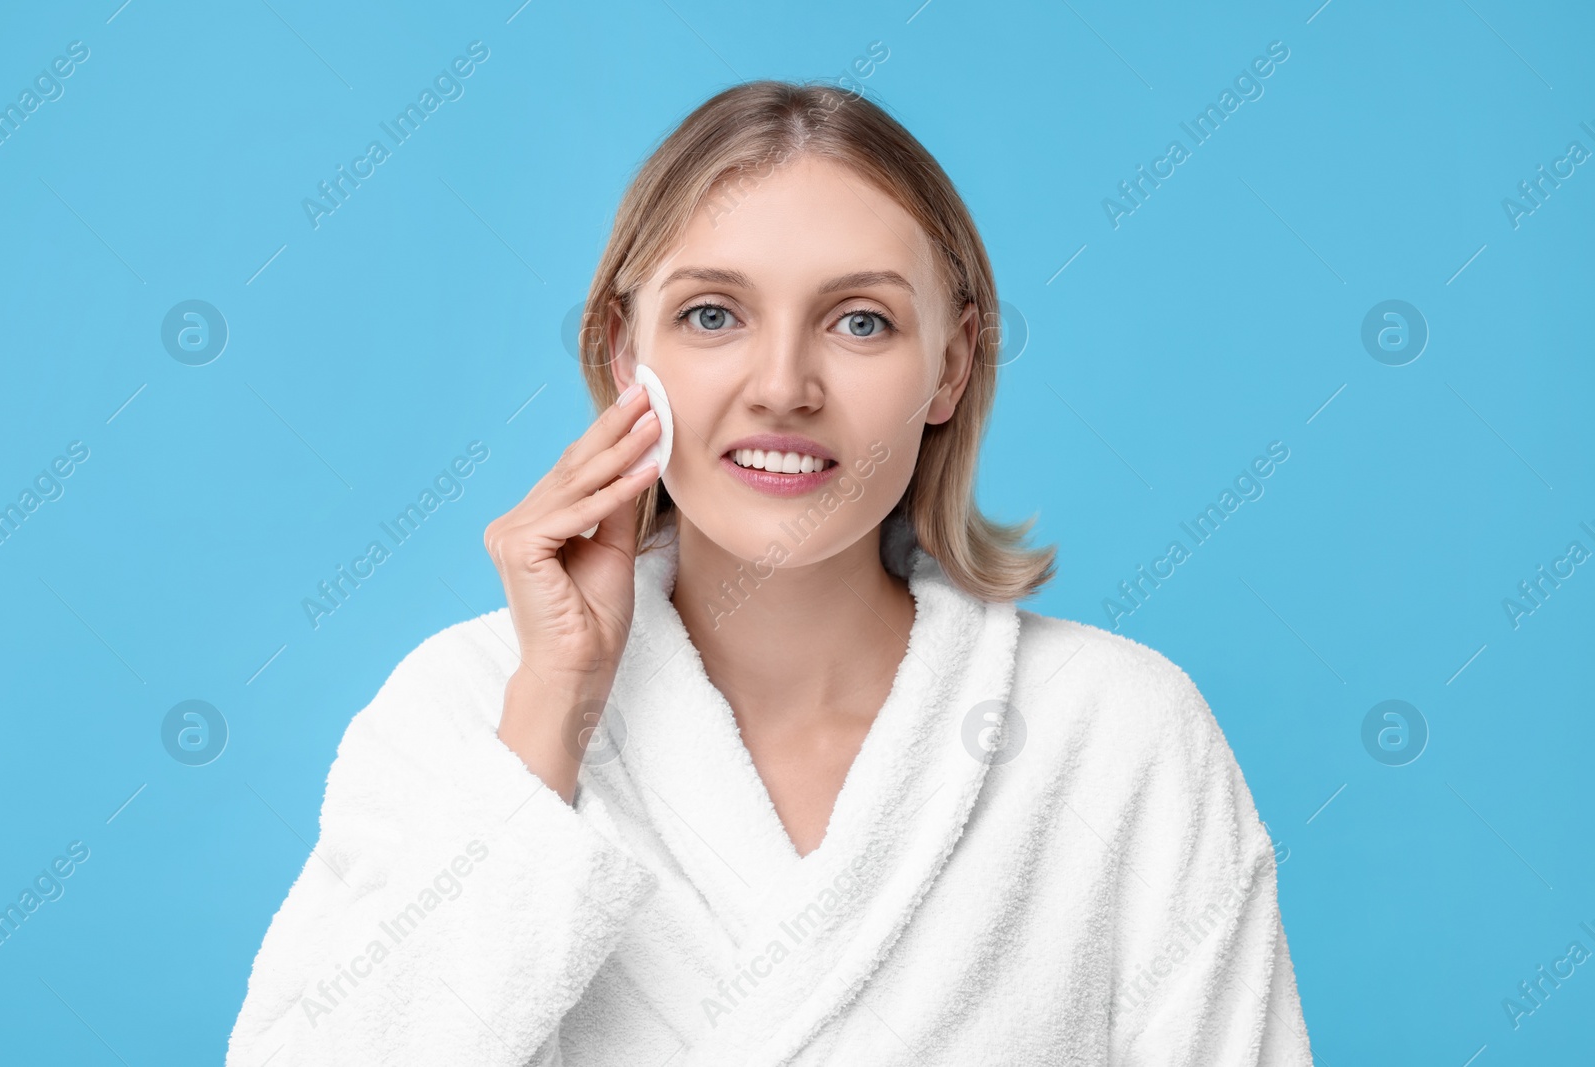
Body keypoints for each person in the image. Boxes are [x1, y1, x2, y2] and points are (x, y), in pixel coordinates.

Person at [226, 80, 1312, 1066]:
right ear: (622, 351)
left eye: (859, 320)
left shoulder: (1117, 731)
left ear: (951, 364)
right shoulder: (463, 710)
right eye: (712, 314)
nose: (782, 385)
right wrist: (552, 716)